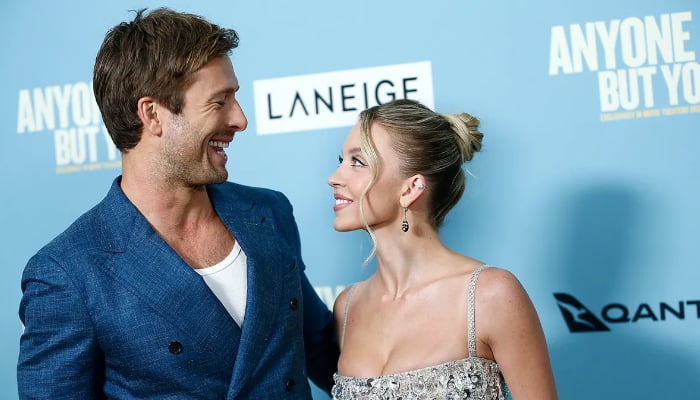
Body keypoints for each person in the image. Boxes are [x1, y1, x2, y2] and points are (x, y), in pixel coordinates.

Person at [18, 8, 338, 399]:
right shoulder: (68, 272)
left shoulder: (269, 213)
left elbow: (320, 348)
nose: (240, 119)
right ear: (152, 114)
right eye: (219, 102)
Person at [327, 99, 558, 399]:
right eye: (341, 160)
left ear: (411, 188)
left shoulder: (489, 295)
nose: (334, 178)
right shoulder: (347, 307)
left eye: (358, 162)